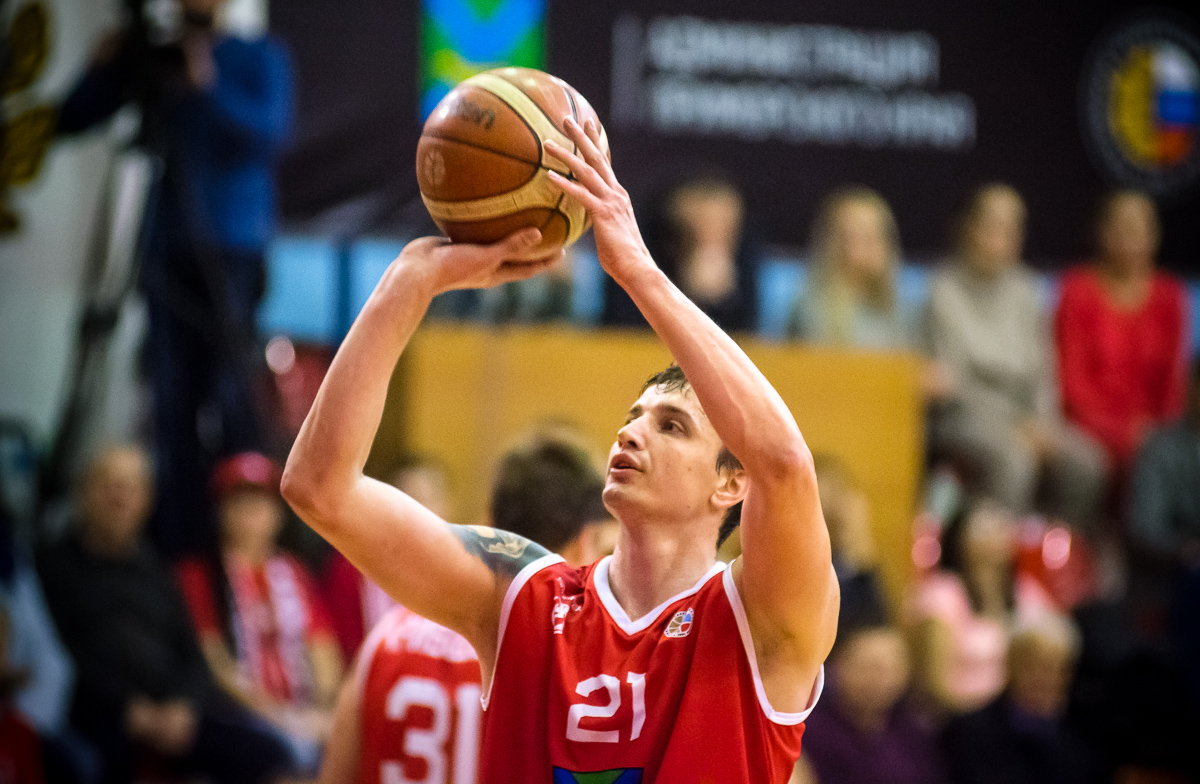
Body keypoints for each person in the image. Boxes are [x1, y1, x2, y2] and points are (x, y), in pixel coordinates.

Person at [282, 116, 838, 781]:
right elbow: (319, 487)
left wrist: (638, 273)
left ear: (730, 483)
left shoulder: (762, 616)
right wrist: (409, 281)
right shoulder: (521, 595)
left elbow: (784, 464)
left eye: (671, 426)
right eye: (633, 417)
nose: (631, 432)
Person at [57, 0, 294, 557]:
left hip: (232, 249)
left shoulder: (257, 55)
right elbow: (72, 119)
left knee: (231, 394)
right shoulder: (159, 57)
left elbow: (271, 133)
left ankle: (243, 543)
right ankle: (176, 542)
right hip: (166, 246)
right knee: (170, 400)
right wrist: (103, 68)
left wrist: (208, 85)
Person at [317, 434, 610, 784]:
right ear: (585, 541)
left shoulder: (386, 636)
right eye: (606, 550)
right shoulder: (562, 663)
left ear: (489, 519)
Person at [36, 445, 291, 784]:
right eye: (108, 485)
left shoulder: (158, 571)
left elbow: (192, 653)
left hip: (175, 713)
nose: (119, 498)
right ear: (82, 491)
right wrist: (128, 710)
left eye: (131, 488)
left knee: (268, 753)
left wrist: (184, 705)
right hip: (100, 715)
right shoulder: (50, 567)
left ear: (147, 500)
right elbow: (56, 655)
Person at [925, 184, 1107, 531]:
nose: (1001, 238)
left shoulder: (1028, 290)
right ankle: (1002, 555)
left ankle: (1059, 553)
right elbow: (954, 383)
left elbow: (1043, 371)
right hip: (966, 418)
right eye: (991, 226)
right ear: (969, 228)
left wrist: (1044, 422)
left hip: (1026, 418)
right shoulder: (944, 290)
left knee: (1088, 463)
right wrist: (1015, 427)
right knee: (1015, 460)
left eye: (1011, 228)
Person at [176, 452, 343, 771]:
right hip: (237, 713)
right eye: (240, 502)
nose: (252, 512)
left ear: (278, 514)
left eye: (262, 502)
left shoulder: (295, 572)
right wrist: (282, 718)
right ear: (220, 510)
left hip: (303, 711)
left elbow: (323, 650)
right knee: (283, 755)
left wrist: (323, 711)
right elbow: (216, 664)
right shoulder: (201, 574)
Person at [1054, 190, 1190, 478]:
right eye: (1123, 228)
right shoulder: (1076, 290)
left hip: (1153, 434)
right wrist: (1119, 431)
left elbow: (1173, 386)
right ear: (1102, 232)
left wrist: (1156, 432)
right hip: (1088, 430)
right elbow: (1072, 385)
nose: (1133, 239)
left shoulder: (1171, 296)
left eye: (1142, 229)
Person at [906, 499, 1055, 715]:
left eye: (1000, 528)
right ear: (960, 539)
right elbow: (934, 683)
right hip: (960, 717)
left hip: (1020, 716)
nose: (994, 539)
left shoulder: (1028, 593)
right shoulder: (941, 595)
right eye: (983, 530)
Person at [941, 613, 1101, 784]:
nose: (1050, 679)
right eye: (1040, 667)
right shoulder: (970, 733)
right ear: (1012, 665)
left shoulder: (1080, 742)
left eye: (1061, 669)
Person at [323, 456, 454, 661]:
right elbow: (342, 653)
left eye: (429, 498)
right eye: (409, 499)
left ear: (448, 504)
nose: (421, 510)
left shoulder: (467, 572)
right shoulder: (352, 569)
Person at [604, 173, 760, 332]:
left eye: (726, 227)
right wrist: (688, 295)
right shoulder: (638, 257)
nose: (715, 237)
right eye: (704, 225)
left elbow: (743, 338)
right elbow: (624, 330)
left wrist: (720, 302)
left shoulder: (744, 261)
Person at [796, 624, 946, 784]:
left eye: (889, 669)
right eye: (869, 668)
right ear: (838, 666)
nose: (879, 680)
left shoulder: (914, 731)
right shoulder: (808, 729)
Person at [787, 185, 913, 349]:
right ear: (830, 241)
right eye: (849, 236)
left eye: (868, 238)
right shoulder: (808, 306)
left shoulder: (904, 309)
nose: (857, 249)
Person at [813, 455, 889, 635]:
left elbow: (879, 624)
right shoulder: (806, 565)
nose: (836, 510)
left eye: (839, 493)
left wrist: (861, 551)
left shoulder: (855, 564)